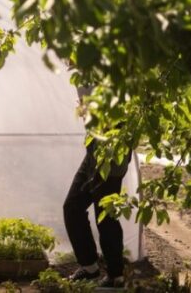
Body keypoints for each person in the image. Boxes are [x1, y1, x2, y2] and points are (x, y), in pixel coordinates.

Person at [63, 84, 132, 288]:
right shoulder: (83, 70)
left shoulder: (102, 63)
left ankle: (115, 276)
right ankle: (90, 267)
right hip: (95, 148)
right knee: (72, 207)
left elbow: (119, 110)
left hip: (112, 149)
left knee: (106, 215)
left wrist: (88, 110)